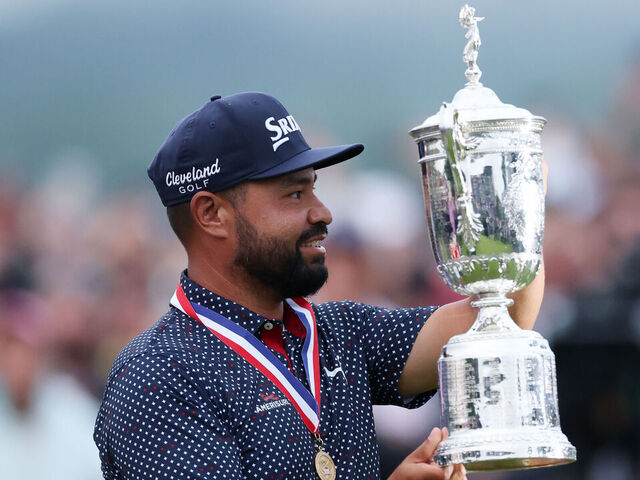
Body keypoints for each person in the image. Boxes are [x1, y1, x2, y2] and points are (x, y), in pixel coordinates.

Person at [94, 92, 544, 479]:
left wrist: (517, 194)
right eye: (294, 194)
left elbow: (502, 320)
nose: (323, 212)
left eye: (314, 188)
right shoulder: (156, 376)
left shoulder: (340, 331)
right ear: (211, 214)